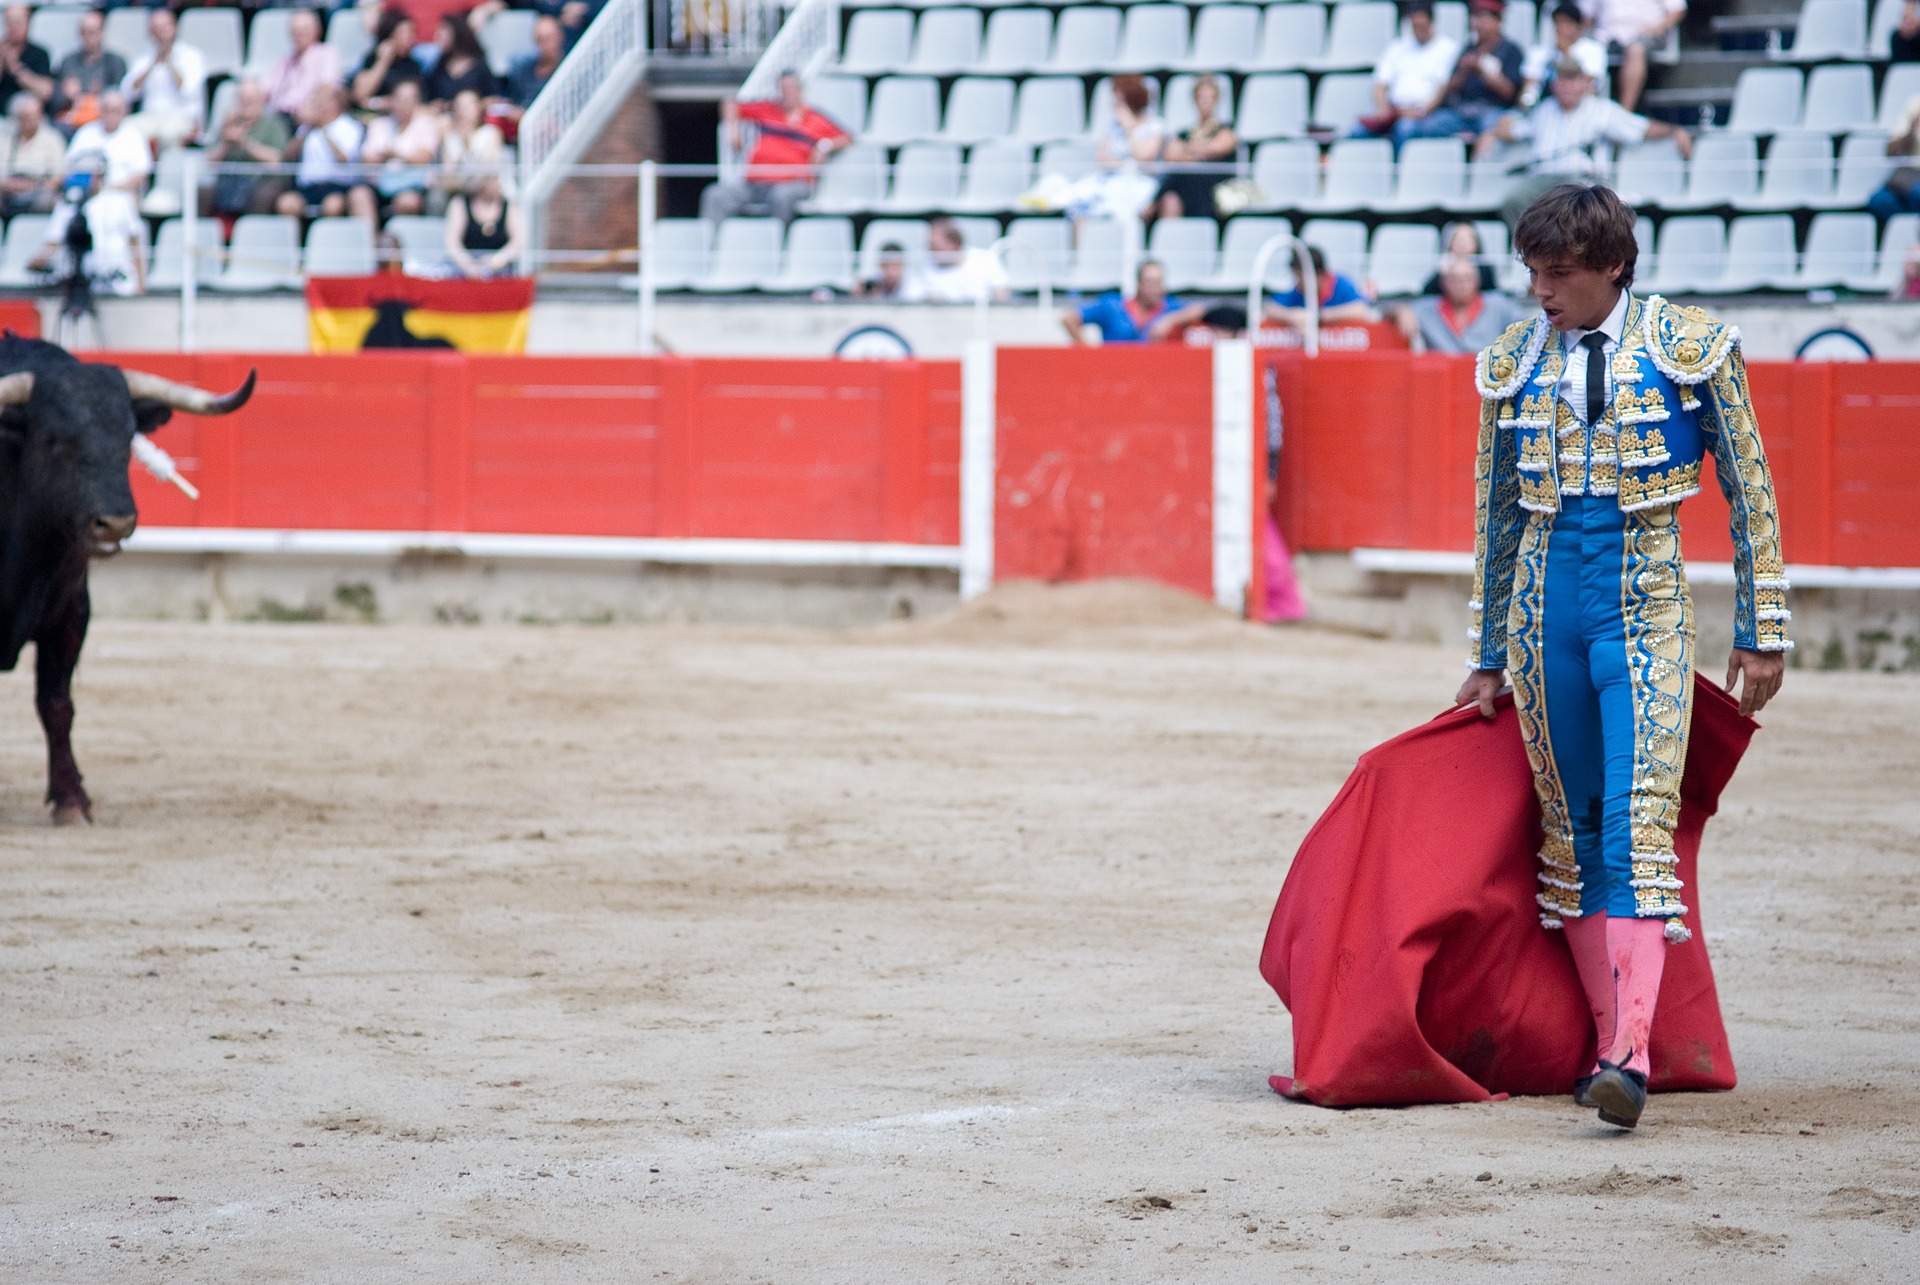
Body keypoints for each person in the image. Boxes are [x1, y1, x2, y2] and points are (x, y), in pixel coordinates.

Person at [1458, 183, 1788, 1130]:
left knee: (1639, 822)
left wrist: (1764, 625)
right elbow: (1499, 518)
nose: (1540, 292)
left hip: (1644, 607)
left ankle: (1628, 1054)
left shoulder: (1691, 348)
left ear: (1613, 266)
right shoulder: (1511, 364)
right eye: (1530, 273)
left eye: (1557, 274)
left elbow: (1750, 485)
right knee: (1574, 832)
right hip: (1541, 618)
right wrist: (1487, 655)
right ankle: (1614, 1044)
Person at [1476, 60, 1691, 227]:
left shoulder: (1601, 109)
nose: (1566, 85)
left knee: (1573, 197)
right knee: (1514, 200)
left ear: (1583, 83)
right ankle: (1533, 254)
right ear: (1554, 84)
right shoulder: (1544, 110)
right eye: (1562, 79)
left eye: (1572, 79)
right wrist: (1491, 133)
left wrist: (1673, 130)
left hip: (1582, 178)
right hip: (1543, 178)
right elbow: (1515, 130)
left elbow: (1640, 129)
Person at [700, 71, 851, 226]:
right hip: (754, 182)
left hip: (790, 184)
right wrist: (733, 128)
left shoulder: (814, 119)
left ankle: (775, 243)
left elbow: (847, 138)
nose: (786, 93)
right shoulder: (768, 109)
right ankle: (711, 246)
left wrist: (824, 145)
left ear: (800, 90)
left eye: (790, 88)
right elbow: (730, 104)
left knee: (781, 197)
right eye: (782, 88)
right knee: (715, 195)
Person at [1403, 0, 1524, 143]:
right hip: (1463, 111)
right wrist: (1465, 72)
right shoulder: (1468, 49)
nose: (1478, 23)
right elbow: (1449, 87)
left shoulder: (1511, 50)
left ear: (1497, 21)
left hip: (1492, 110)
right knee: (1430, 126)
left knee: (1491, 126)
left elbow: (1510, 92)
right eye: (1476, 17)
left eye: (1484, 18)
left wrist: (1482, 70)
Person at [31, 161, 145, 297]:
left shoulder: (121, 201)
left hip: (119, 279)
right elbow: (53, 242)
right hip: (81, 280)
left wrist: (141, 283)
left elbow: (135, 243)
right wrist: (37, 261)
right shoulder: (69, 202)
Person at [1362, 0, 1462, 149]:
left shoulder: (1449, 49)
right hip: (1395, 112)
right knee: (1358, 131)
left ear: (1432, 22)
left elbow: (1444, 87)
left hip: (1426, 114)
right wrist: (1383, 110)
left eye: (1422, 26)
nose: (1418, 31)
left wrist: (1420, 111)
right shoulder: (1397, 47)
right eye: (1414, 27)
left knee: (1405, 128)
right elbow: (1380, 84)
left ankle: (1399, 171)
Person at [1393, 253, 1529, 352]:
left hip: (1487, 379)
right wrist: (1401, 311)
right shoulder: (1428, 308)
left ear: (1478, 281)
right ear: (1443, 283)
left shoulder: (1497, 303)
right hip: (1444, 381)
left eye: (1467, 278)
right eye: (1455, 279)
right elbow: (1384, 310)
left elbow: (1528, 325)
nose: (1461, 284)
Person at [1150, 74, 1236, 222]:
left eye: (1210, 97)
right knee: (1171, 196)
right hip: (1187, 188)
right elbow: (1171, 154)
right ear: (1195, 100)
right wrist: (1199, 154)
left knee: (1179, 175)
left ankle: (1150, 206)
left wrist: (1187, 152)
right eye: (1201, 97)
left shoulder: (1224, 130)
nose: (1205, 102)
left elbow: (1217, 149)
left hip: (1212, 188)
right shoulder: (1185, 132)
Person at [351, 76, 439, 220]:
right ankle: (371, 240)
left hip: (411, 186)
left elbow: (424, 158)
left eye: (408, 100)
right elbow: (366, 159)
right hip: (379, 185)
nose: (403, 104)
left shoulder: (425, 125)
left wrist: (395, 155)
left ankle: (395, 240)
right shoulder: (379, 125)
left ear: (416, 102)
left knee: (408, 202)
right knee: (358, 195)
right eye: (399, 99)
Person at [1061, 259, 1206, 344]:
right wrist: (1088, 352)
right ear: (1139, 284)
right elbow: (1069, 318)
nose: (1156, 288)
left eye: (1159, 282)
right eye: (1150, 282)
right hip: (1113, 373)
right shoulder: (1112, 305)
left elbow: (1198, 310)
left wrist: (1169, 321)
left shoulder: (1169, 306)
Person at [204, 78, 292, 217]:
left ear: (261, 101)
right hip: (229, 183)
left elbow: (276, 160)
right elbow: (209, 161)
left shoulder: (273, 125)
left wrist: (245, 143)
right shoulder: (229, 123)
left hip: (260, 182)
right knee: (202, 193)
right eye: (242, 99)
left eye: (250, 100)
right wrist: (226, 143)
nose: (245, 104)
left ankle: (251, 235)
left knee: (263, 195)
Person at [122, 7, 206, 148]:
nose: (160, 33)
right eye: (155, 28)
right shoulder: (144, 59)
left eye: (164, 27)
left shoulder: (192, 56)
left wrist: (169, 63)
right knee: (126, 129)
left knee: (167, 134)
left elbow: (188, 91)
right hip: (150, 117)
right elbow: (128, 92)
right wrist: (152, 65)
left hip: (181, 117)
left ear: (175, 28)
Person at [275, 83, 362, 218]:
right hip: (308, 188)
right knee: (286, 204)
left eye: (321, 99)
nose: (317, 104)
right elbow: (289, 155)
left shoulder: (349, 126)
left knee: (332, 206)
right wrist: (306, 130)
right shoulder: (307, 128)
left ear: (335, 102)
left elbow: (344, 158)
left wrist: (323, 130)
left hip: (336, 186)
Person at [1593, 0, 1685, 113]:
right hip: (1605, 36)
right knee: (1585, 48)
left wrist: (1656, 29)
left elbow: (1677, 11)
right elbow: (1586, 15)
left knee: (1636, 49)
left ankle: (1624, 114)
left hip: (1646, 34)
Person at [1263, 243, 1375, 329]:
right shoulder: (1299, 291)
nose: (1298, 282)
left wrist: (1318, 317)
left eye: (1300, 277)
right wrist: (1291, 316)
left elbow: (1362, 310)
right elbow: (1270, 307)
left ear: (1319, 274)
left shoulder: (1341, 285)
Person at [50, 9, 127, 132]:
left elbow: (121, 97)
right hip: (72, 120)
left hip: (103, 121)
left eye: (92, 32)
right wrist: (66, 95)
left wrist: (99, 97)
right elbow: (54, 99)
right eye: (83, 32)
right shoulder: (67, 61)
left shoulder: (115, 62)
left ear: (102, 32)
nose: (87, 37)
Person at [901, 217, 1008, 303]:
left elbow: (1001, 294)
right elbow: (914, 298)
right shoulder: (926, 268)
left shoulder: (985, 260)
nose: (931, 251)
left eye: (934, 246)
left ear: (953, 242)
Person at [1521, 3, 1608, 107]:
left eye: (1567, 23)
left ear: (1578, 26)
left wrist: (1565, 52)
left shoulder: (1593, 49)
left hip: (1580, 108)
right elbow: (1528, 90)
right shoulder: (1539, 52)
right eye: (1557, 23)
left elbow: (1587, 84)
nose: (1561, 28)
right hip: (1544, 108)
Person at [66, 89, 149, 197]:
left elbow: (140, 176)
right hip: (84, 193)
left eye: (115, 110)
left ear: (124, 112)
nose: (110, 114)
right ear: (99, 110)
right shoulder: (85, 133)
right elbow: (68, 165)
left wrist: (108, 188)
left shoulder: (134, 136)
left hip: (120, 195)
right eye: (106, 109)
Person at [263, 10, 342, 122]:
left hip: (307, 115)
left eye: (305, 29)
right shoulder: (283, 60)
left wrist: (310, 105)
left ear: (317, 31)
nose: (300, 34)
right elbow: (265, 89)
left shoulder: (326, 54)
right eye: (296, 30)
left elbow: (327, 87)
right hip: (278, 114)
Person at [444, 172, 523, 278]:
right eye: (491, 179)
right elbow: (452, 242)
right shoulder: (460, 204)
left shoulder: (510, 206)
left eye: (497, 179)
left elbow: (518, 241)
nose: (496, 183)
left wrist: (496, 261)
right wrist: (468, 265)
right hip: (464, 270)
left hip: (500, 271)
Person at [351, 10, 425, 113]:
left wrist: (385, 103)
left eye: (412, 32)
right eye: (405, 33)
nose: (411, 38)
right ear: (390, 35)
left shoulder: (413, 66)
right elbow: (360, 94)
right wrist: (383, 61)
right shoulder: (372, 59)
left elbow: (415, 101)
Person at [1, 92, 64, 215]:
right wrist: (10, 185)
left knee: (47, 199)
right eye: (26, 117)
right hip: (8, 189)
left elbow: (58, 177)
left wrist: (33, 185)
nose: (32, 121)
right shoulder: (4, 138)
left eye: (35, 115)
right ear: (17, 118)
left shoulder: (52, 139)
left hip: (38, 189)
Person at [422, 13, 499, 108]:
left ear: (457, 33)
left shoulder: (479, 66)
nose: (438, 35)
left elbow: (493, 98)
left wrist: (473, 105)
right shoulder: (438, 66)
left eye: (444, 30)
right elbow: (429, 97)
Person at [1868, 95, 1920, 224]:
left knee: (1917, 194)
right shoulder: (1915, 105)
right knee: (1879, 201)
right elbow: (1890, 152)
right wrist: (1912, 130)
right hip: (1911, 173)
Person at [505, 14, 565, 111]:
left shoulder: (567, 70)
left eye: (549, 38)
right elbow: (513, 100)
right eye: (540, 40)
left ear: (560, 36)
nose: (545, 45)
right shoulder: (524, 69)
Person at [0, 5, 52, 109]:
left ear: (28, 23)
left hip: (29, 115)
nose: (13, 27)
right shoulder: (1, 49)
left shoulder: (39, 53)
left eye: (17, 23)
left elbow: (46, 92)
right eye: (9, 23)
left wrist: (15, 67)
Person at [1421, 222, 1498, 293]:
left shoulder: (1485, 268)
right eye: (1458, 239)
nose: (1462, 244)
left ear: (1476, 242)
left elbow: (1492, 294)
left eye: (1467, 239)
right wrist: (1440, 273)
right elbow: (1427, 292)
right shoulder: (1443, 268)